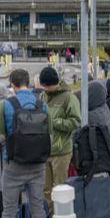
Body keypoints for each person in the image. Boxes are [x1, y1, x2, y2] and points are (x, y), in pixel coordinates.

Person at [0, 69, 53, 218]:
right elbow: (49, 135)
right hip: (37, 165)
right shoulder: (42, 105)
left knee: (9, 210)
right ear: (28, 82)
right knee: (37, 207)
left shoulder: (6, 106)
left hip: (14, 165)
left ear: (12, 84)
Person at [38, 67, 81, 203]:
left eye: (46, 86)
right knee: (46, 190)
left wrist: (54, 122)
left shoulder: (69, 97)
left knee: (60, 190)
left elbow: (75, 122)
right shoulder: (42, 96)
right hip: (45, 151)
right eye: (43, 86)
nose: (45, 88)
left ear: (53, 83)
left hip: (61, 152)